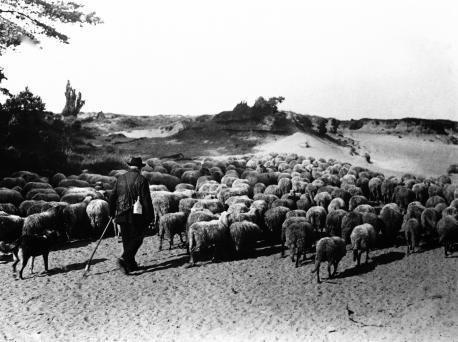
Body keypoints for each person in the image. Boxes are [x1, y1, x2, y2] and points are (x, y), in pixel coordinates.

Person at [109, 157, 154, 274]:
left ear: (130, 167)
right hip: (136, 215)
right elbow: (146, 200)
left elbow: (112, 196)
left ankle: (130, 265)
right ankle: (124, 258)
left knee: (126, 240)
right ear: (139, 168)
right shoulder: (142, 179)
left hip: (121, 212)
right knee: (137, 238)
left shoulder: (120, 178)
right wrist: (150, 217)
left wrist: (111, 212)